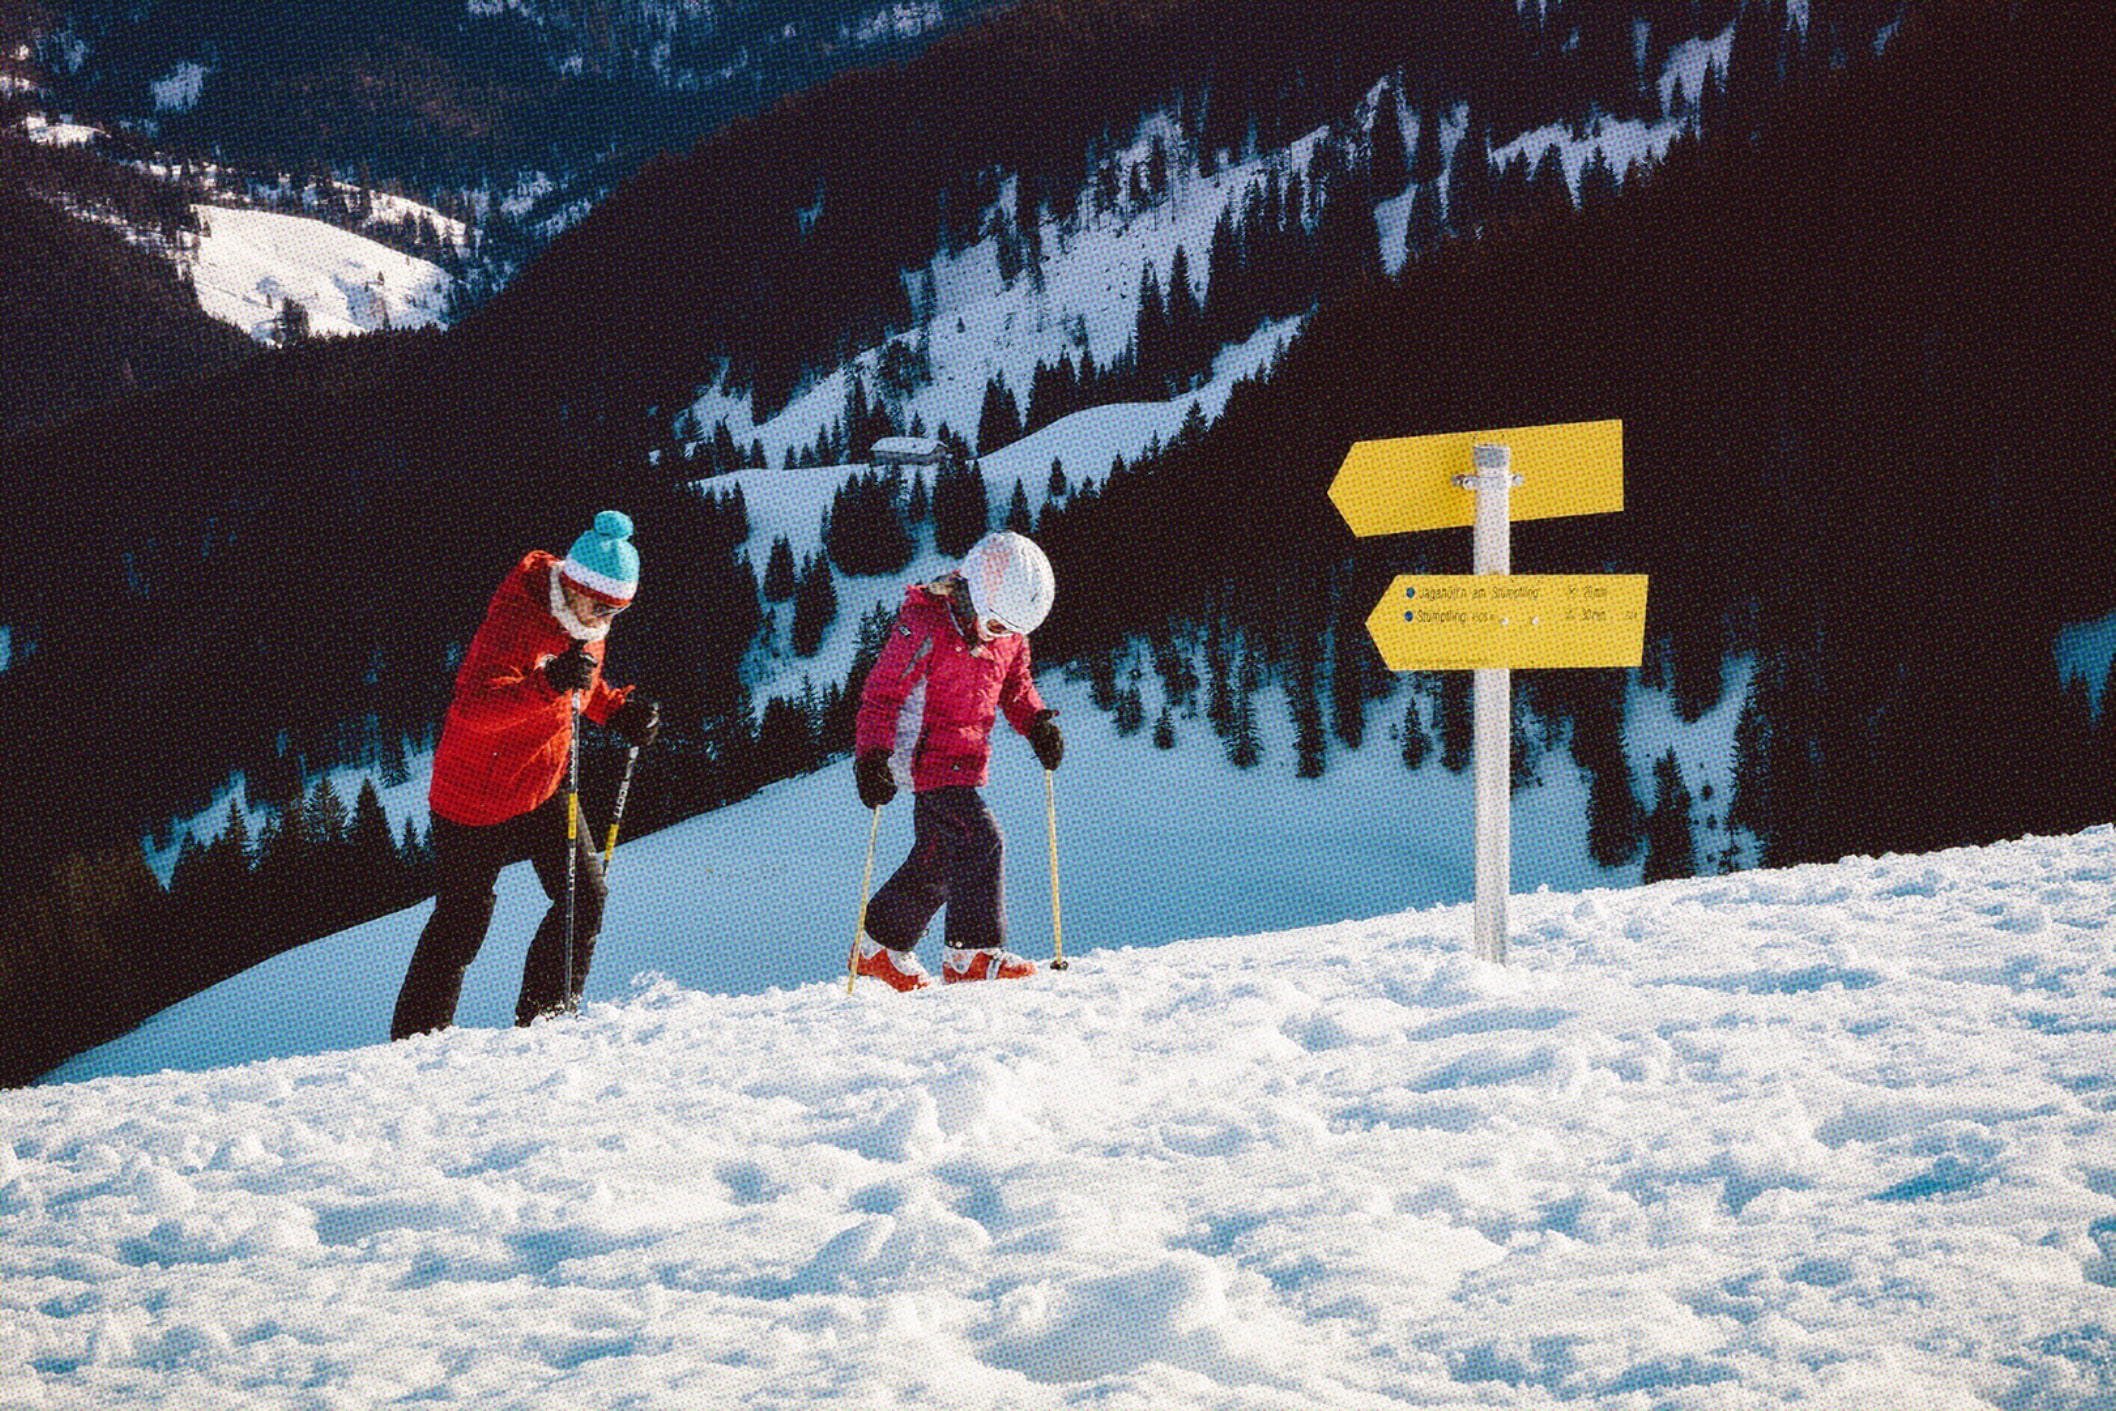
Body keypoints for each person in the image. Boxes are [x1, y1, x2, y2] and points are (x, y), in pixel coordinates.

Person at [391, 510, 662, 1038]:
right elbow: (473, 707)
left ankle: (547, 1024)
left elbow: (580, 686)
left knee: (585, 895)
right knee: (462, 924)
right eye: (601, 606)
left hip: (543, 782)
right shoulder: (516, 619)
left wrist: (616, 709)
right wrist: (547, 686)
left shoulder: (589, 620)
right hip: (474, 795)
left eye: (618, 610)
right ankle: (413, 1047)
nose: (606, 618)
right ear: (572, 585)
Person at [852, 529, 1064, 990]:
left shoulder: (1008, 632)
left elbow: (1016, 686)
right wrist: (871, 756)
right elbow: (881, 695)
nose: (1003, 637)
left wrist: (1037, 723)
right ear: (974, 596)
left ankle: (879, 947)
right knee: (980, 837)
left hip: (963, 755)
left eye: (1012, 631)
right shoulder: (926, 623)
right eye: (996, 627)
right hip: (918, 753)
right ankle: (971, 956)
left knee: (942, 855)